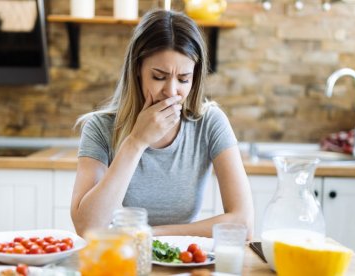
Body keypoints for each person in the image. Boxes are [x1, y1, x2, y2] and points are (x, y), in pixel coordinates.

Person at [71, 9, 254, 239]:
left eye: (183, 79)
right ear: (137, 69)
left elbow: (244, 223)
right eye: (159, 76)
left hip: (183, 262)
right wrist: (136, 142)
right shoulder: (99, 127)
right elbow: (87, 228)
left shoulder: (210, 123)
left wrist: (148, 235)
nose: (171, 91)